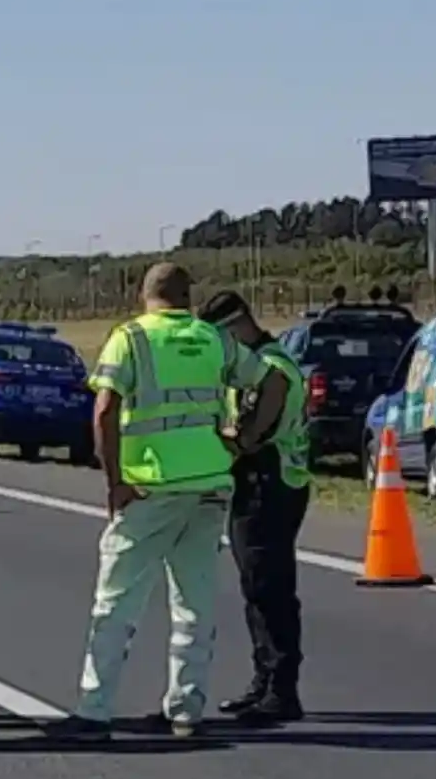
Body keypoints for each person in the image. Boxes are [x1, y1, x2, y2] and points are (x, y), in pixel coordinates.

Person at [43, 263, 288, 741]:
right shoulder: (213, 339)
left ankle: (94, 710)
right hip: (210, 483)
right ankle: (185, 710)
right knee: (193, 603)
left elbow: (105, 410)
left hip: (151, 485)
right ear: (188, 296)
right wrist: (246, 439)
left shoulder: (131, 338)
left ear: (144, 293)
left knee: (116, 603)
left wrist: (114, 482)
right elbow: (274, 380)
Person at [199, 291, 311, 723]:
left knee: (269, 587)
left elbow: (253, 432)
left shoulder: (272, 367)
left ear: (235, 327)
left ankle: (282, 688)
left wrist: (227, 439)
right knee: (254, 586)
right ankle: (263, 680)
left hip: (272, 480)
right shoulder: (257, 364)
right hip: (258, 480)